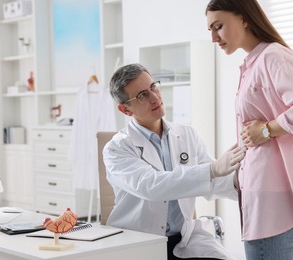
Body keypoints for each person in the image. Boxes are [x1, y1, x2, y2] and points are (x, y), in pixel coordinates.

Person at [205, 1, 293, 260]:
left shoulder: (272, 56)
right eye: (210, 30)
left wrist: (267, 130)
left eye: (218, 27)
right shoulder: (253, 62)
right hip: (263, 196)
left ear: (244, 18)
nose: (213, 38)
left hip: (271, 202)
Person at [103, 63, 246, 260]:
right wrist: (213, 169)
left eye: (153, 86)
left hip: (186, 239)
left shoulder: (186, 134)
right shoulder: (116, 148)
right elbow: (151, 186)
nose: (155, 97)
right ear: (125, 109)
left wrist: (241, 179)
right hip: (138, 243)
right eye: (142, 95)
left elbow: (211, 182)